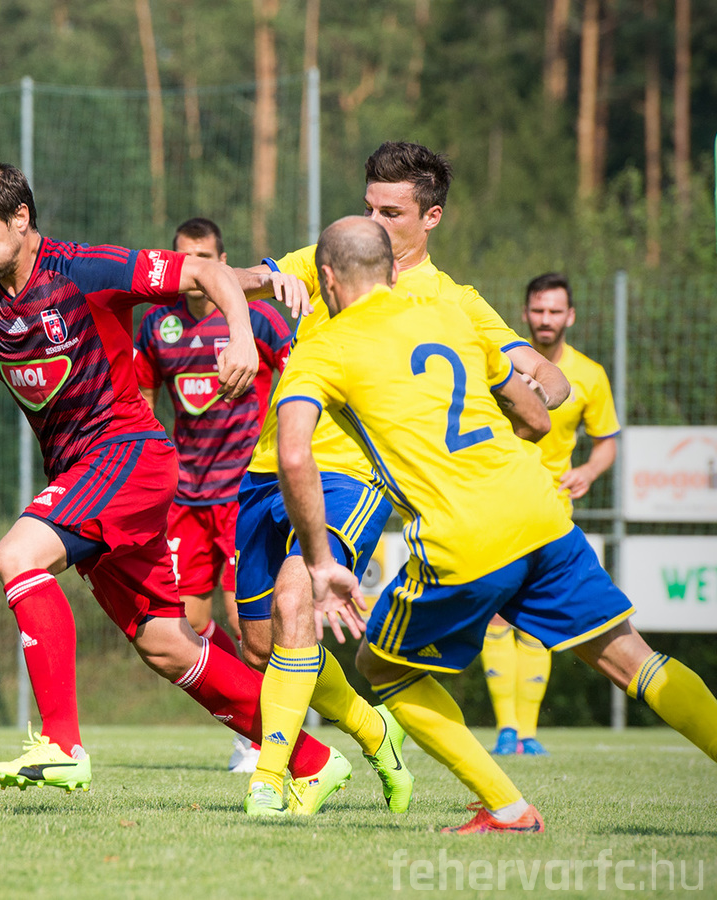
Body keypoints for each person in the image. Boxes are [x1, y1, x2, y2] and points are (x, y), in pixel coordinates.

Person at [0, 160, 350, 812]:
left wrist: (241, 333)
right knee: (167, 644)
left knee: (17, 555)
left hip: (129, 454)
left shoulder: (84, 270)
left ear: (21, 219)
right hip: (80, 471)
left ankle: (62, 744)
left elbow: (205, 272)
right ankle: (313, 759)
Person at [277, 215, 717, 834]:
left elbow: (295, 456)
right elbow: (536, 417)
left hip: (462, 534)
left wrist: (322, 562)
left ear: (326, 278)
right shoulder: (450, 315)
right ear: (394, 270)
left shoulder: (324, 346)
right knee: (633, 661)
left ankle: (507, 808)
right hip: (538, 510)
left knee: (383, 668)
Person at [225, 142, 574, 816]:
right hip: (269, 469)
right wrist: (249, 305)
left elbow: (545, 377)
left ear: (431, 217)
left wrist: (537, 392)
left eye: (392, 212)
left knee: (298, 599)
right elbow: (230, 278)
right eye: (370, 208)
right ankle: (373, 729)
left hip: (350, 476)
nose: (376, 223)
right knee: (263, 643)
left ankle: (268, 780)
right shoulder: (335, 256)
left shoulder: (453, 301)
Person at [133, 216, 292, 775]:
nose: (195, 267)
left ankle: (265, 735)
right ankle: (255, 703)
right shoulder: (157, 325)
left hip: (245, 491)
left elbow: (301, 378)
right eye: (185, 257)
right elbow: (141, 401)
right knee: (186, 621)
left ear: (223, 262)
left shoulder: (259, 319)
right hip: (185, 497)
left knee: (248, 621)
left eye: (204, 257)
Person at [483, 273, 621, 757]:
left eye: (554, 311)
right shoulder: (500, 365)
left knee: (533, 619)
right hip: (499, 500)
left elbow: (607, 441)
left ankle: (527, 732)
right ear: (525, 314)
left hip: (551, 507)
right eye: (538, 310)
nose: (545, 319)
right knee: (496, 616)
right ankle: (506, 730)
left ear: (570, 316)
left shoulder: (590, 375)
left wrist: (589, 470)